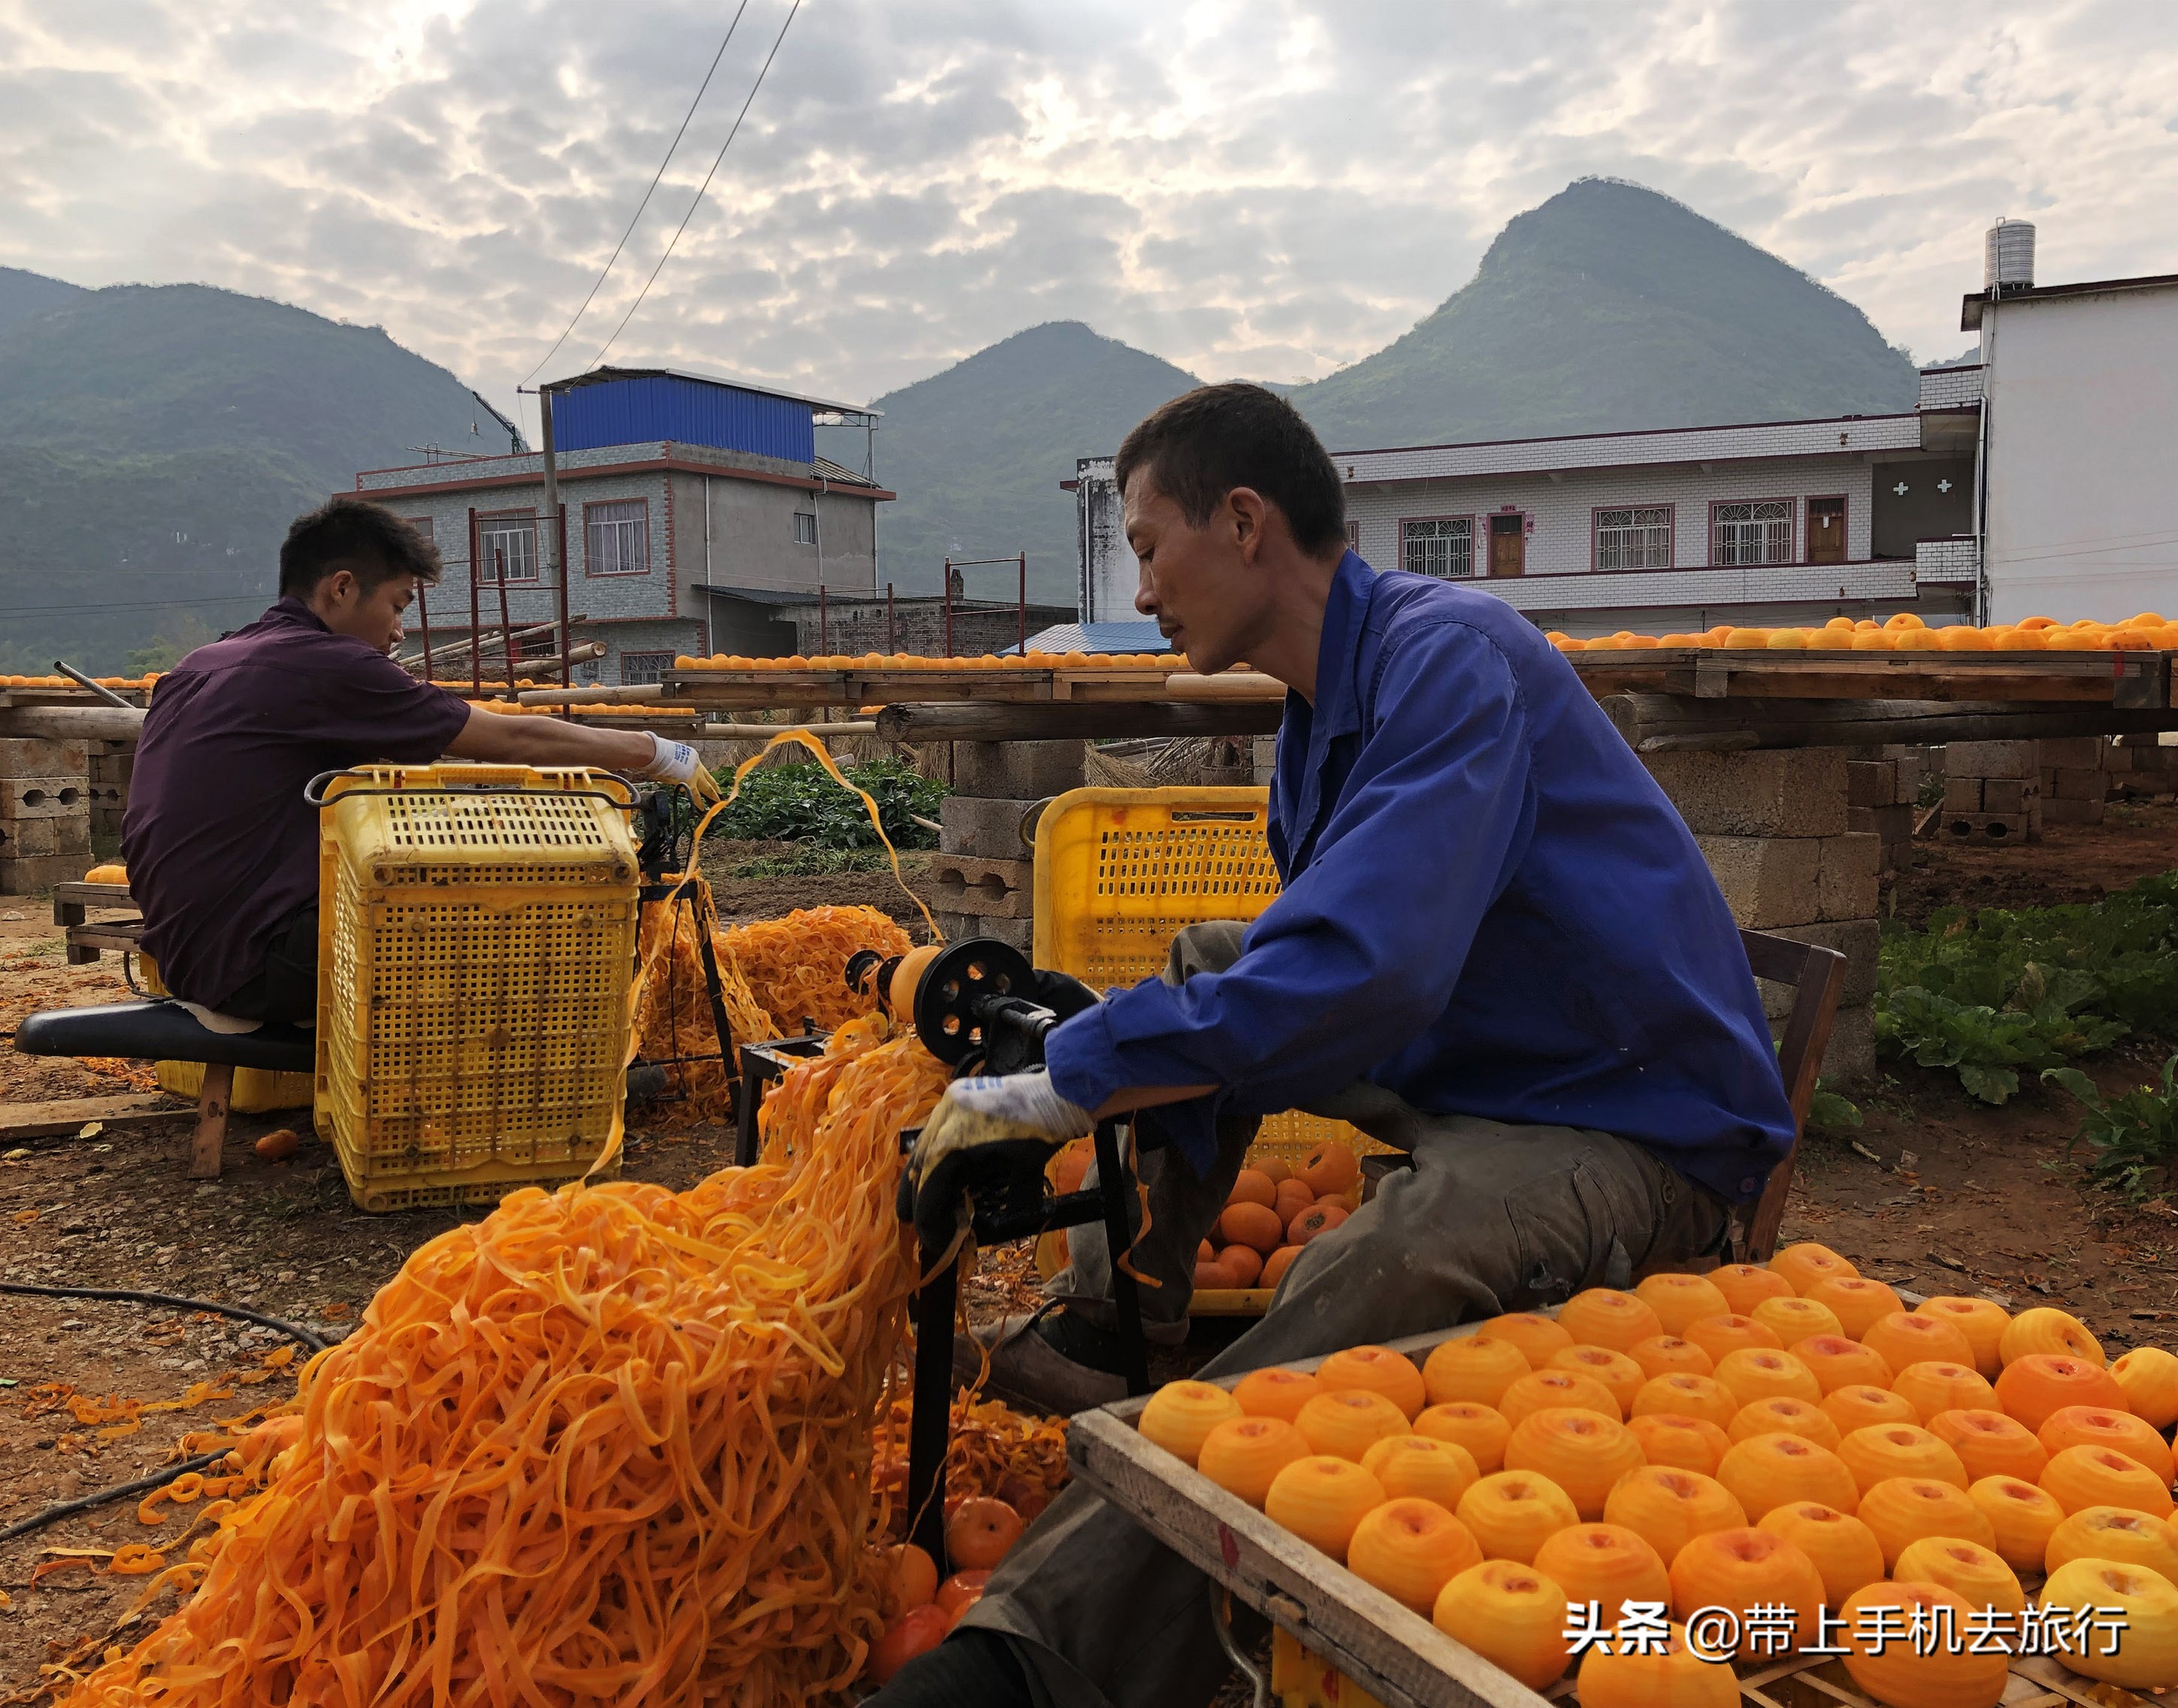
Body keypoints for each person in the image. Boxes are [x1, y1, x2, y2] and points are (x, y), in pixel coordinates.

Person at [876, 384, 1797, 1708]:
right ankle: (1122, 1307)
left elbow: (1367, 966)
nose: (1140, 592)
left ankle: (1031, 1664)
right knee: (1208, 958)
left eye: (1146, 546)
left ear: (1243, 520)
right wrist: (1111, 1055)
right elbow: (1308, 968)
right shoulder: (1322, 717)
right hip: (1492, 1060)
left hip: (1632, 1125)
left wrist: (1073, 1074)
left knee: (1394, 1257)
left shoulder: (1449, 657)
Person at [123, 497, 712, 1022]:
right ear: (342, 588)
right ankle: (549, 1083)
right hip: (261, 961)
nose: (400, 630)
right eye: (398, 604)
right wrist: (657, 753)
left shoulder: (204, 661)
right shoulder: (327, 665)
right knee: (531, 922)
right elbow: (509, 740)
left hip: (187, 951)